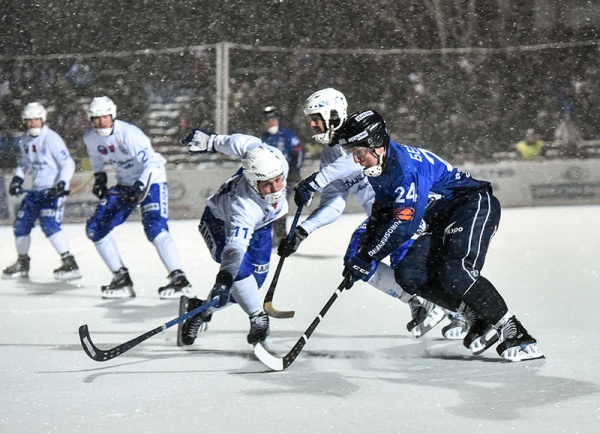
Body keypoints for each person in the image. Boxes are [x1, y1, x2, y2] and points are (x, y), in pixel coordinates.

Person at [337, 109, 544, 362]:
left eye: (359, 153)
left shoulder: (405, 167)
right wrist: (362, 255)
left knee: (455, 272)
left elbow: (404, 225)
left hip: (471, 205)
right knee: (408, 274)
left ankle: (515, 332)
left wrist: (368, 256)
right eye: (352, 154)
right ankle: (474, 314)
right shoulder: (380, 170)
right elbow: (381, 215)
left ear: (377, 144)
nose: (356, 160)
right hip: (441, 219)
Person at [277, 88, 461, 339]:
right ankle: (425, 303)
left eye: (316, 118)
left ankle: (461, 311)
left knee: (405, 262)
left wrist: (314, 181)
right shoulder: (330, 154)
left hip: (408, 206)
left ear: (332, 114)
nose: (312, 124)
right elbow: (334, 202)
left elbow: (350, 162)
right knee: (360, 260)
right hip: (381, 216)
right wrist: (302, 232)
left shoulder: (361, 133)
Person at [178, 128, 289, 347]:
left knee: (252, 285)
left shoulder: (272, 157)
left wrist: (211, 141)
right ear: (252, 182)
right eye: (267, 185)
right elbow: (235, 249)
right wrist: (225, 277)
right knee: (239, 275)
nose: (276, 189)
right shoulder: (243, 207)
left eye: (279, 180)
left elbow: (240, 142)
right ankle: (258, 318)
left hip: (261, 226)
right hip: (219, 223)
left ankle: (200, 310)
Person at [83, 96, 191, 299]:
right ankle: (121, 278)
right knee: (95, 228)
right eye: (95, 118)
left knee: (155, 227)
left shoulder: (130, 134)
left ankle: (179, 279)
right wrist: (100, 178)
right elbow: (96, 157)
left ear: (112, 115)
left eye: (103, 117)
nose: (100, 122)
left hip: (151, 180)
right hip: (125, 184)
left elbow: (152, 162)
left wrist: (141, 186)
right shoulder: (91, 137)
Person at [2, 102, 81, 280]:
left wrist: (61, 184)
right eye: (29, 121)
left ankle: (69, 262)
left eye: (36, 120)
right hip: (36, 190)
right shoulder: (25, 140)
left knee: (50, 224)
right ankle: (23, 263)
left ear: (42, 119)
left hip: (53, 191)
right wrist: (17, 179)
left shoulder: (52, 139)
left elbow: (67, 163)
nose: (32, 124)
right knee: (21, 225)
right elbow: (24, 163)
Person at [261, 105, 304, 245]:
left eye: (273, 120)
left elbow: (298, 151)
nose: (270, 123)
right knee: (269, 207)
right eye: (268, 121)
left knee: (278, 206)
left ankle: (280, 237)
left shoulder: (287, 136)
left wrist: (295, 170)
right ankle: (275, 236)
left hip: (285, 178)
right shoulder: (265, 137)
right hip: (268, 178)